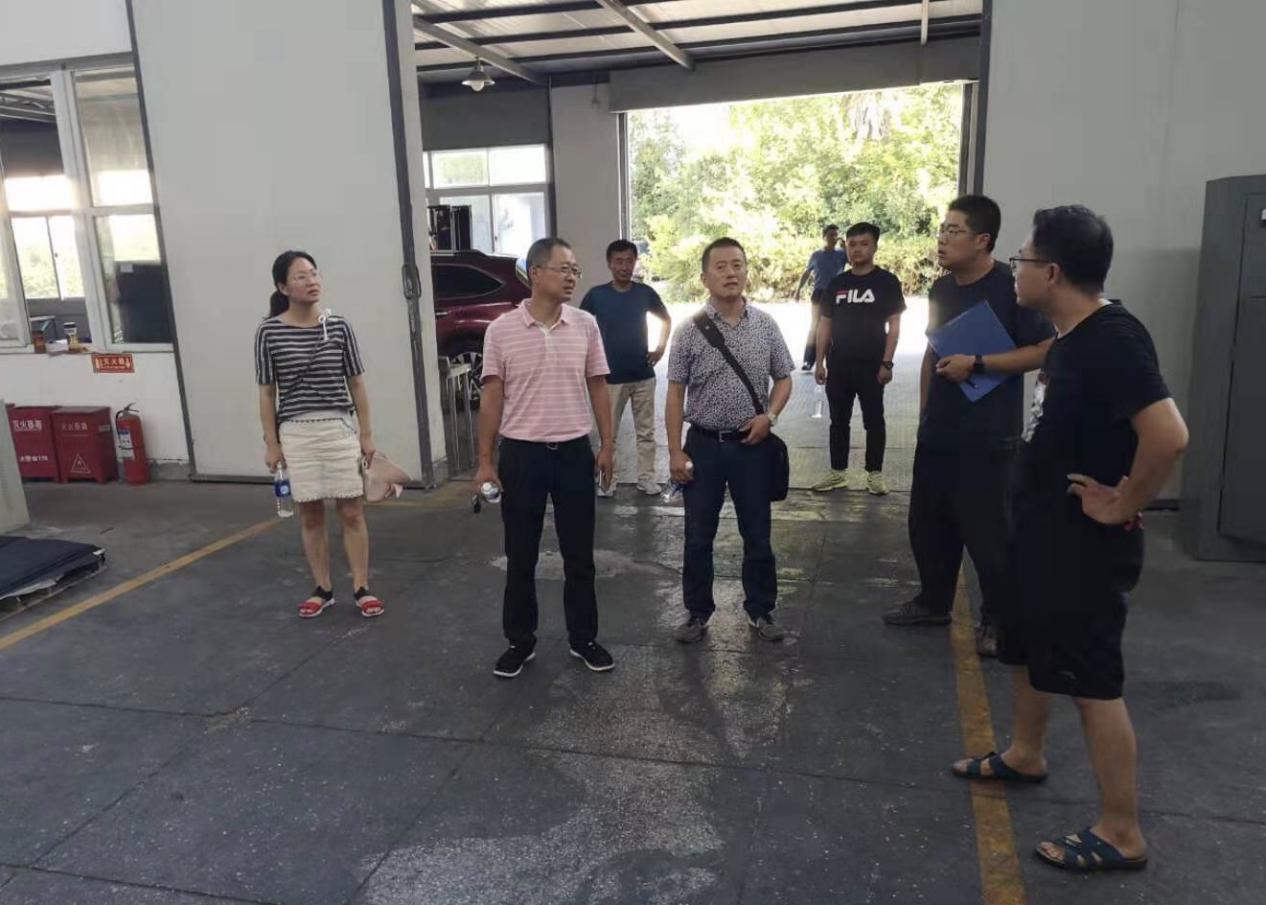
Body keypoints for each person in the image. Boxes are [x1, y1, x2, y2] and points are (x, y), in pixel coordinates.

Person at [952, 206, 1187, 874]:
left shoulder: (1113, 339)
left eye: (1022, 260)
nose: (1015, 271)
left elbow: (1169, 435)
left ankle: (1121, 830)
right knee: (1027, 648)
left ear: (1051, 272)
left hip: (1082, 546)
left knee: (1091, 683)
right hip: (1040, 532)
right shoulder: (1071, 338)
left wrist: (1125, 502)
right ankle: (1025, 753)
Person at [883, 195, 1055, 657]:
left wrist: (978, 363)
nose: (942, 238)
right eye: (941, 230)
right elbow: (934, 351)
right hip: (939, 432)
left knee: (989, 538)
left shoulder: (1010, 289)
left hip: (988, 438)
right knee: (928, 526)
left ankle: (998, 621)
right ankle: (933, 601)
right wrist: (925, 414)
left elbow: (1044, 349)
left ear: (982, 240)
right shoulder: (942, 290)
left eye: (953, 231)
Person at [474, 237, 616, 679]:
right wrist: (485, 461)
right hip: (522, 455)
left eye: (575, 270)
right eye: (563, 269)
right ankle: (520, 641)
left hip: (574, 453)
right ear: (535, 274)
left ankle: (583, 638)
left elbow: (598, 385)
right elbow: (492, 398)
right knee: (521, 555)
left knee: (579, 555)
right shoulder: (501, 330)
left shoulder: (586, 325)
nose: (572, 277)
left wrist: (607, 445)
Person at [667, 238, 795, 644]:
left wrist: (769, 417)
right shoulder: (688, 331)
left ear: (746, 272)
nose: (730, 273)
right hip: (703, 446)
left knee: (757, 534)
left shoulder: (765, 325)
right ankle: (697, 612)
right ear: (704, 278)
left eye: (737, 265)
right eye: (720, 266)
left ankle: (761, 609)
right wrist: (675, 451)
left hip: (751, 446)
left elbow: (784, 378)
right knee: (697, 535)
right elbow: (675, 394)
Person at [255, 250, 384, 619]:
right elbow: (267, 393)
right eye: (300, 276)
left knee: (352, 511)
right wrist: (272, 444)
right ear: (283, 287)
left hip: (338, 428)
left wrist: (366, 435)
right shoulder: (269, 332)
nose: (311, 281)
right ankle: (323, 589)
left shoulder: (338, 326)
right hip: (296, 433)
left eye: (314, 273)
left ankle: (361, 587)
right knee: (310, 514)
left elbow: (357, 384)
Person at [811, 222, 905, 496]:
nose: (857, 249)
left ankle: (874, 474)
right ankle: (837, 472)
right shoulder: (837, 284)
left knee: (874, 420)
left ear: (874, 247)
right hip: (839, 365)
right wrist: (820, 361)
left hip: (872, 366)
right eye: (852, 244)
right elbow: (825, 324)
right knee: (838, 421)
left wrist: (887, 363)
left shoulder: (886, 282)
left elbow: (894, 326)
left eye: (864, 244)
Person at [580, 239, 672, 497]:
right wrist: (589, 359)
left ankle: (647, 478)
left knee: (646, 432)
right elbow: (580, 326)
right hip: (610, 378)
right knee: (608, 435)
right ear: (609, 264)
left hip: (643, 375)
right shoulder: (596, 296)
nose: (624, 266)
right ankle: (608, 481)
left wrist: (660, 349)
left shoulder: (645, 293)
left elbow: (666, 319)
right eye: (619, 261)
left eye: (629, 261)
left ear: (635, 263)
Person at [794, 225, 847, 370]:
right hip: (819, 293)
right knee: (815, 325)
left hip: (837, 294)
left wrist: (846, 248)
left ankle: (832, 360)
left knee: (835, 326)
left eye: (835, 235)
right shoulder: (816, 255)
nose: (834, 238)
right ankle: (808, 360)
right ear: (824, 236)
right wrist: (798, 290)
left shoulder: (842, 254)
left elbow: (855, 264)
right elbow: (807, 273)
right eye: (830, 235)